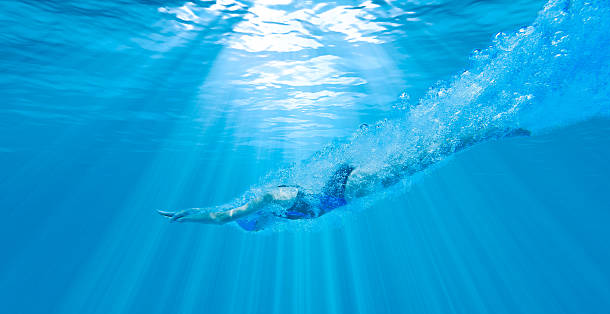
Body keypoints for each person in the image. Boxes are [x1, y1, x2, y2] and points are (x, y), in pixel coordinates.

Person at [158, 127, 529, 231]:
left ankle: (485, 132)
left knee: (423, 159)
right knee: (419, 160)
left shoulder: (271, 198)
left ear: (253, 215)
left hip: (351, 187)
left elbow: (226, 216)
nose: (251, 228)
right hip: (348, 189)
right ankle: (479, 134)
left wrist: (187, 216)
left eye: (249, 223)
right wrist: (196, 209)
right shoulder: (275, 214)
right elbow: (226, 212)